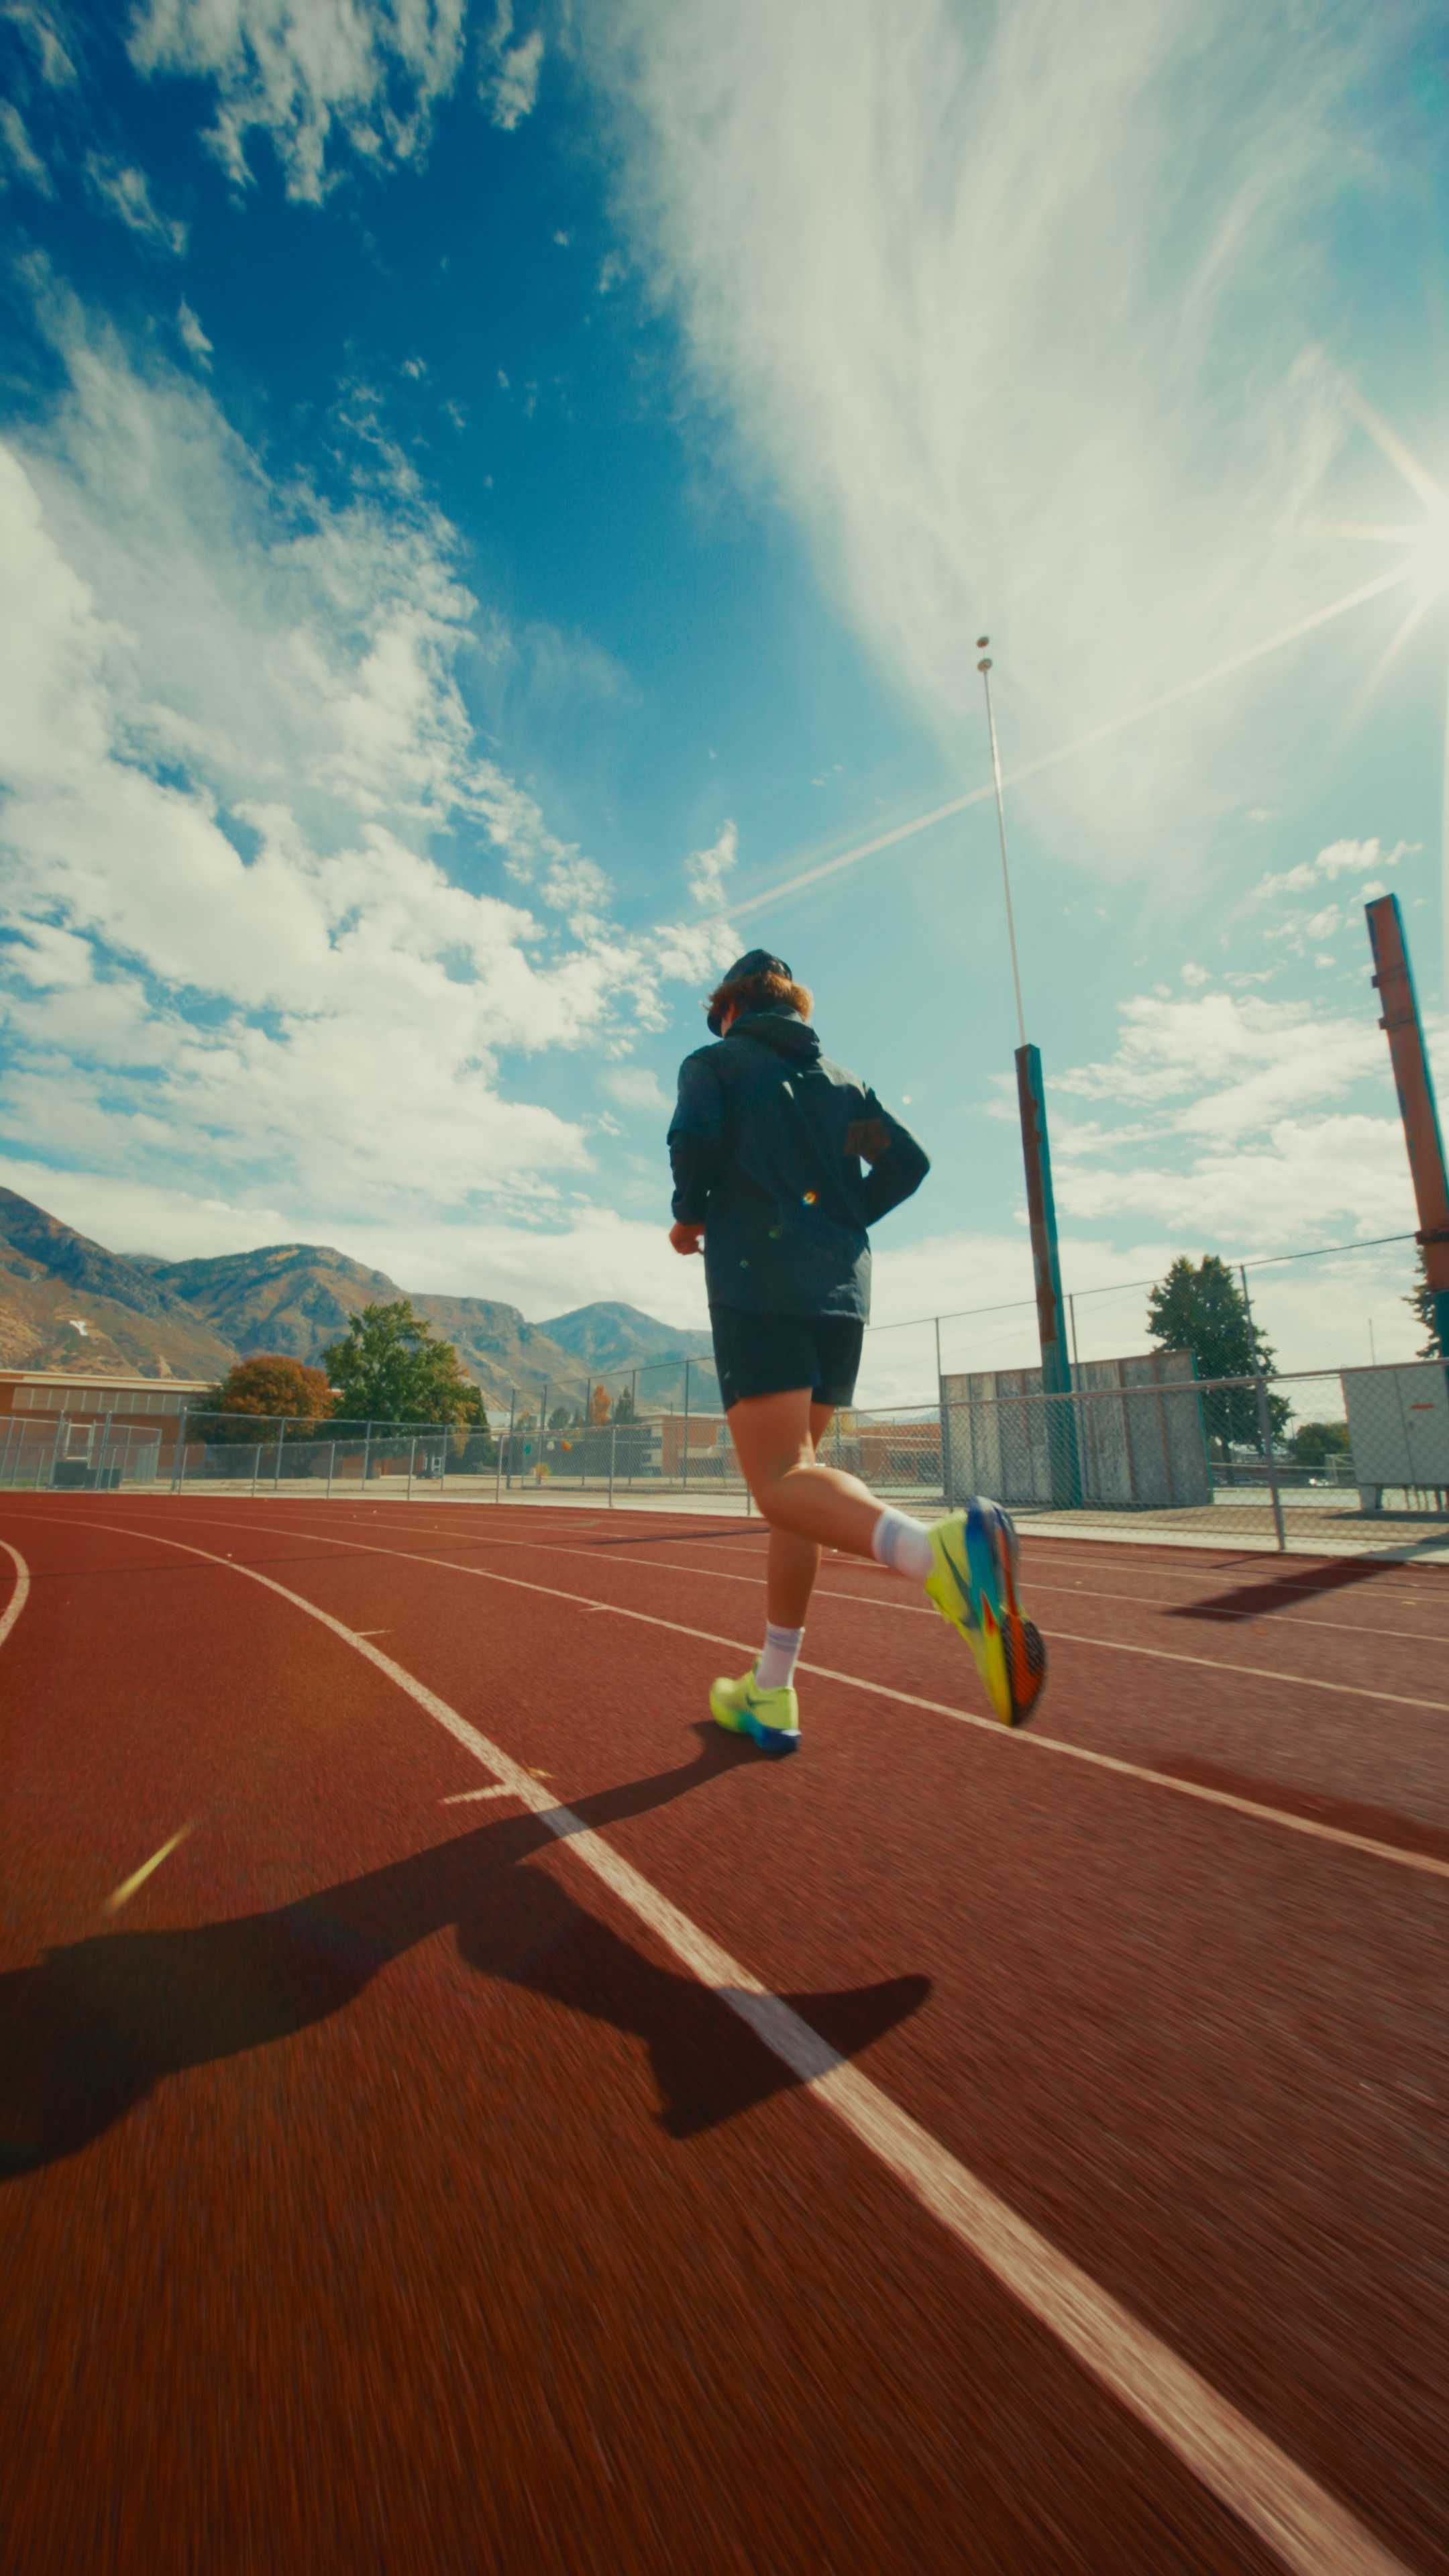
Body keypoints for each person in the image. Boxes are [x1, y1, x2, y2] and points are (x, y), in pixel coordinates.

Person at [667, 947, 1045, 1755]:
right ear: (794, 1007)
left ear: (731, 1007)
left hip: (758, 1281)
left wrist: (688, 1215)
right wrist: (844, 1218)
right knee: (799, 1481)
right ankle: (772, 1689)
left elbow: (693, 1144)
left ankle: (935, 1553)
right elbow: (909, 1162)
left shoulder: (714, 1062)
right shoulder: (844, 1084)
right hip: (840, 1296)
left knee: (778, 1483)